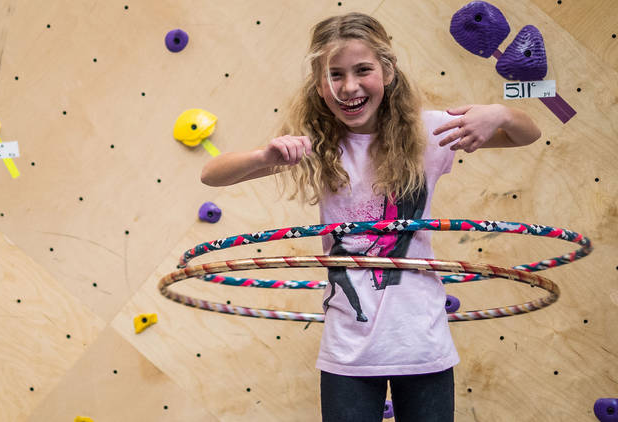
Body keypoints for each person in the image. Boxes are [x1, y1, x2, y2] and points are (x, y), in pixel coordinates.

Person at [200, 12, 541, 422]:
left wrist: (500, 114)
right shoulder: (319, 147)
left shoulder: (429, 134)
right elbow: (211, 175)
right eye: (334, 75)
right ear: (319, 86)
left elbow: (528, 134)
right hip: (348, 348)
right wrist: (265, 156)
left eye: (363, 70)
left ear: (388, 70)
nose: (349, 87)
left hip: (422, 341)